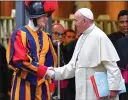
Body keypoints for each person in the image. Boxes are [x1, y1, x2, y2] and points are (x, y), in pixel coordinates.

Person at [47, 8, 123, 100]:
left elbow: (112, 66)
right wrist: (54, 72)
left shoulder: (100, 36)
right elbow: (73, 66)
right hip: (82, 91)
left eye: (76, 20)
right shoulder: (82, 37)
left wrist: (114, 88)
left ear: (84, 21)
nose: (75, 23)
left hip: (97, 93)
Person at [6, 1, 58, 100]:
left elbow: (50, 61)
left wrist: (51, 83)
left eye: (47, 16)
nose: (46, 19)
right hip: (24, 84)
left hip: (43, 85)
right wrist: (44, 70)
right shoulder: (19, 34)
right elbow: (19, 61)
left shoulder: (46, 37)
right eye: (43, 16)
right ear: (33, 16)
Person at [108, 10, 128, 100]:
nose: (124, 25)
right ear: (117, 23)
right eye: (121, 22)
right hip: (117, 81)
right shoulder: (110, 39)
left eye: (127, 22)